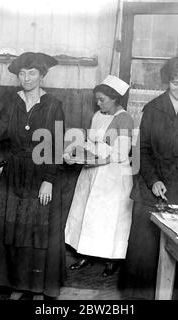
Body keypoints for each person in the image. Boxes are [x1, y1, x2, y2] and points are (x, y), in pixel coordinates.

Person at [0, 52, 66, 299]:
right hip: (15, 171)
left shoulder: (53, 105)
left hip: (41, 173)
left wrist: (49, 180)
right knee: (10, 225)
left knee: (34, 228)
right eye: (22, 73)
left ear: (42, 76)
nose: (26, 78)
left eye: (31, 73)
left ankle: (32, 286)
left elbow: (57, 145)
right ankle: (5, 284)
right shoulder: (13, 102)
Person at [119, 56, 178, 299]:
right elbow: (142, 150)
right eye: (175, 83)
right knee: (145, 247)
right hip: (153, 184)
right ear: (167, 81)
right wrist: (153, 180)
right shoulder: (152, 108)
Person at [64, 75, 134, 277]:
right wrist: (75, 150)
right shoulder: (98, 116)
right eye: (97, 99)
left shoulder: (124, 119)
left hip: (113, 176)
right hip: (92, 173)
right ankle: (85, 253)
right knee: (88, 214)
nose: (98, 103)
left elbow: (118, 154)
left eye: (102, 99)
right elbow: (90, 142)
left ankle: (111, 259)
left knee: (109, 218)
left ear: (115, 99)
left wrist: (87, 160)